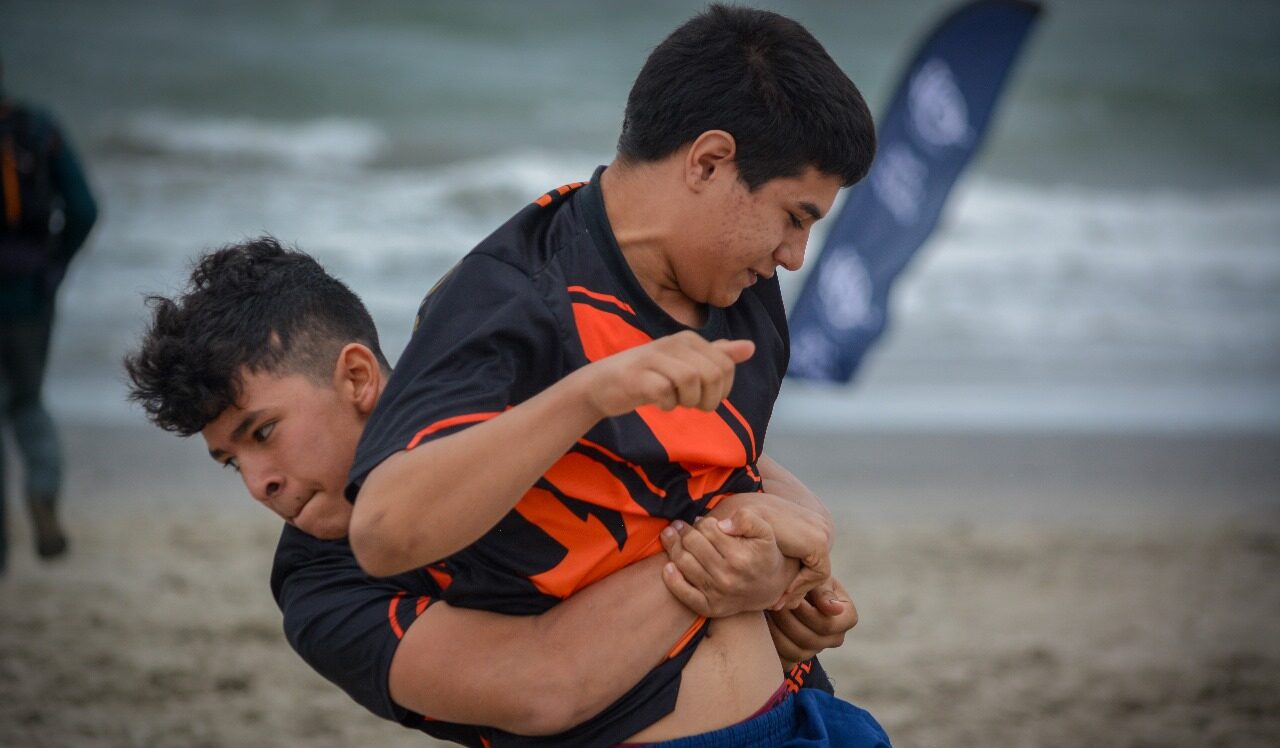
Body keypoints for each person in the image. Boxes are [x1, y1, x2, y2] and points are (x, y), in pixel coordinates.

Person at [348, 5, 886, 746]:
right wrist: (591, 390)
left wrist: (792, 583)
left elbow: (710, 480)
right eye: (795, 216)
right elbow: (383, 532)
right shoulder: (513, 298)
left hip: (794, 712)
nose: (795, 255)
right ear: (707, 161)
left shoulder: (744, 293)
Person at [124, 238, 860, 745]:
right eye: (230, 463)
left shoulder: (489, 392)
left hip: (815, 712)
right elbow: (546, 683)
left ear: (355, 377)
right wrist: (742, 559)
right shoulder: (318, 589)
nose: (260, 484)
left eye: (262, 433)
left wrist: (804, 553)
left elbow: (728, 461)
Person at [0, 55, 98, 573]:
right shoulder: (36, 128)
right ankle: (42, 492)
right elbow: (83, 208)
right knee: (28, 402)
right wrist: (54, 264)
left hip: (27, 288)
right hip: (28, 294)